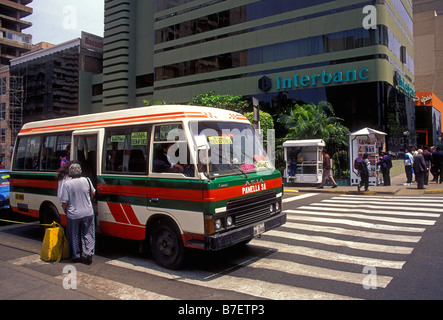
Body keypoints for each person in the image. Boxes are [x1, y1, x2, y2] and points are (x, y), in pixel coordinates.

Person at [61, 163, 96, 264]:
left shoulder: (67, 184)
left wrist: (65, 210)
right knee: (88, 233)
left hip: (73, 214)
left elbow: (64, 202)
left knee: (74, 235)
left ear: (70, 173)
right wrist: (87, 202)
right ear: (80, 171)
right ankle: (89, 254)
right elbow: (93, 193)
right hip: (88, 212)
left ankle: (76, 256)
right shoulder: (87, 180)